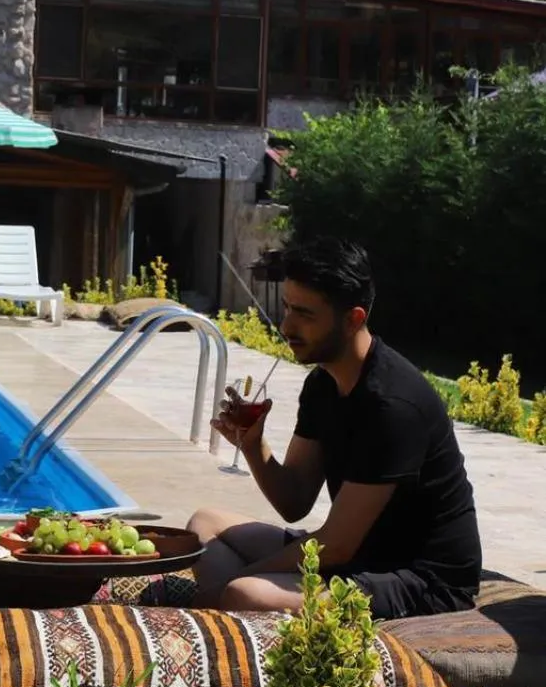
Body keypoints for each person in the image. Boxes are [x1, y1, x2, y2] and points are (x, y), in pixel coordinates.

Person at [188, 238, 481, 619]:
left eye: (305, 314)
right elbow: (294, 502)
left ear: (353, 319)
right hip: (358, 555)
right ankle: (229, 610)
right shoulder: (323, 384)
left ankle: (227, 608)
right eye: (288, 307)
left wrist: (234, 582)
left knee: (247, 593)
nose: (286, 325)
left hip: (419, 579)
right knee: (203, 525)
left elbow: (337, 546)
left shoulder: (393, 405)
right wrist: (253, 444)